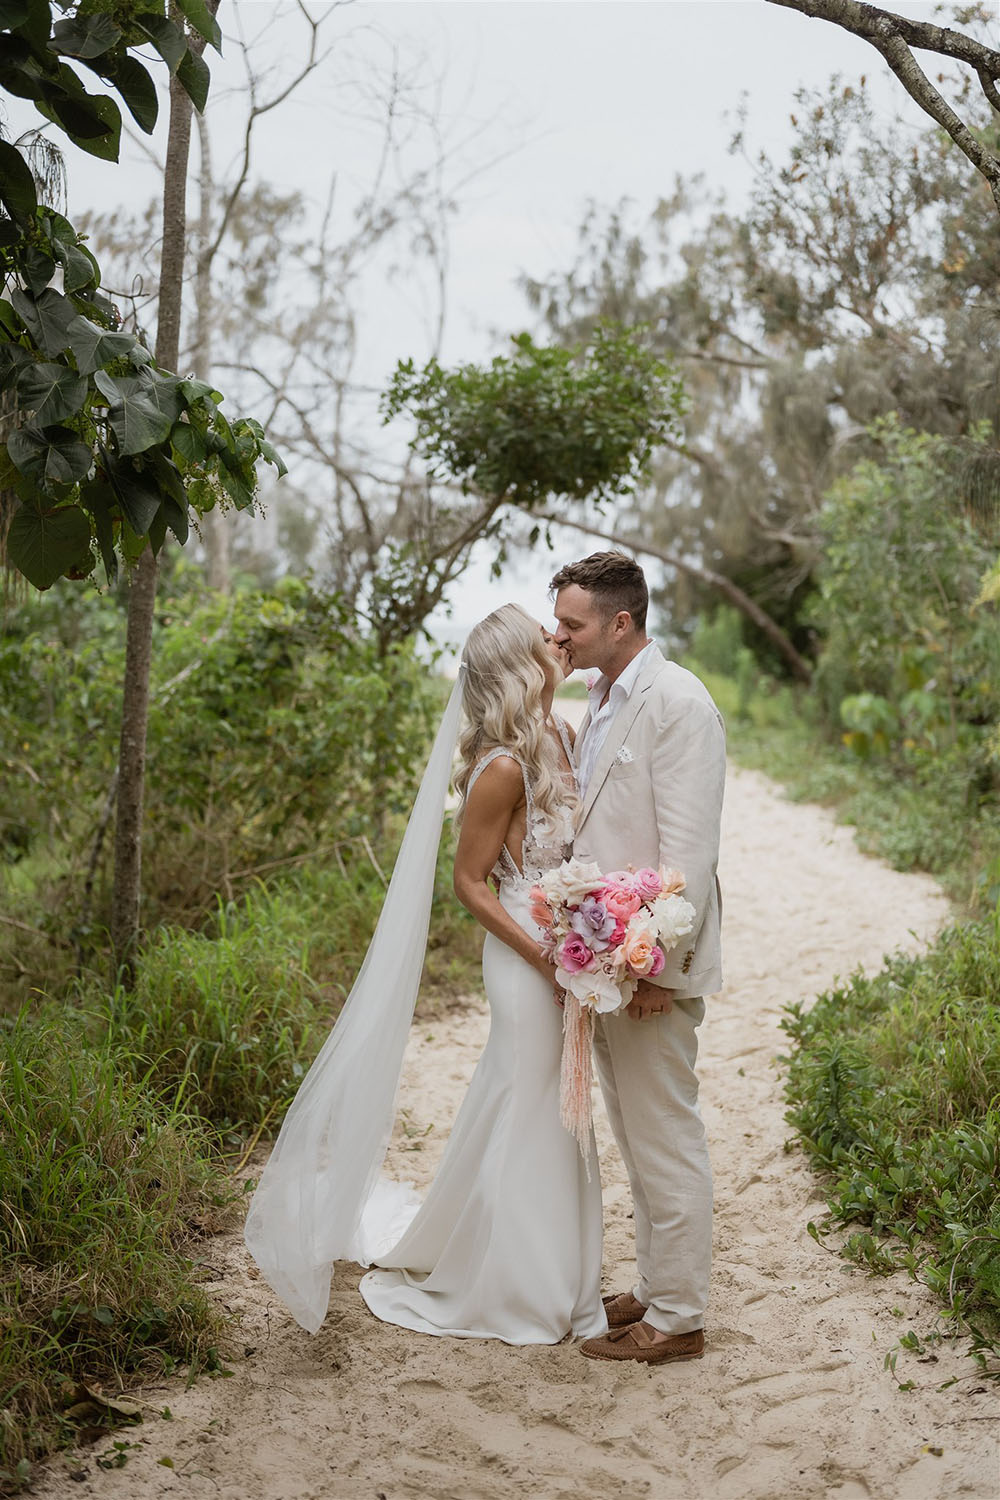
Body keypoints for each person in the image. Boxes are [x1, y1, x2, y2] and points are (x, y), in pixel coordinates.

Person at [245, 603, 606, 1345]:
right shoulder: (500, 767)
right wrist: (543, 957)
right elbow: (470, 883)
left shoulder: (563, 737)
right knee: (527, 1104)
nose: (557, 641)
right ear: (520, 664)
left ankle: (560, 1273)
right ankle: (516, 1285)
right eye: (546, 637)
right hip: (521, 957)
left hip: (566, 953)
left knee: (557, 1106)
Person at [551, 551, 726, 1366]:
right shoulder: (600, 695)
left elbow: (687, 854)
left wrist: (656, 971)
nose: (561, 636)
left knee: (665, 1137)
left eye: (573, 623)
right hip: (610, 962)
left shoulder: (678, 704)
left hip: (650, 964)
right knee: (633, 1131)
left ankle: (680, 1317)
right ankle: (655, 1287)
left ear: (622, 622)